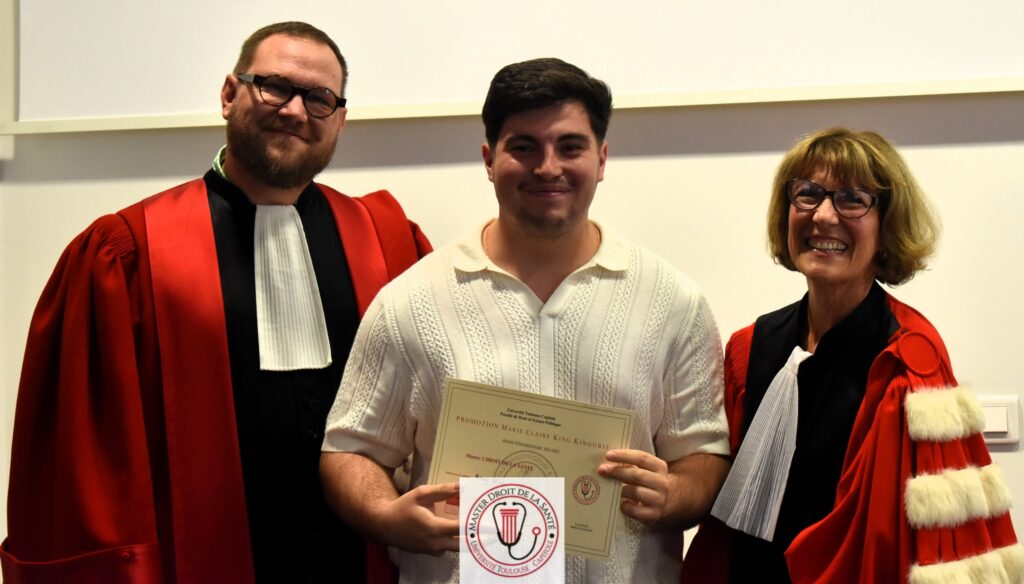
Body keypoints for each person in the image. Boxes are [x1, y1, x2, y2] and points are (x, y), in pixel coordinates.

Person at [1, 21, 430, 583]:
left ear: (339, 120)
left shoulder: (389, 240)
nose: (295, 110)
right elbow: (86, 460)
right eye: (274, 87)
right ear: (230, 94)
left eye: (319, 99)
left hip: (361, 555)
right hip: (199, 561)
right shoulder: (127, 252)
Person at [319, 57, 730, 583]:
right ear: (489, 159)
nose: (548, 167)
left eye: (570, 147)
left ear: (602, 159)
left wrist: (676, 494)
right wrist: (384, 515)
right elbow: (350, 450)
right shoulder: (410, 302)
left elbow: (704, 454)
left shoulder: (673, 302)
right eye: (524, 147)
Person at [682, 128, 1022, 583]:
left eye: (852, 199)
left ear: (887, 227)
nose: (823, 215)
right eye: (807, 194)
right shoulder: (751, 346)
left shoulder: (908, 359)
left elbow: (937, 545)